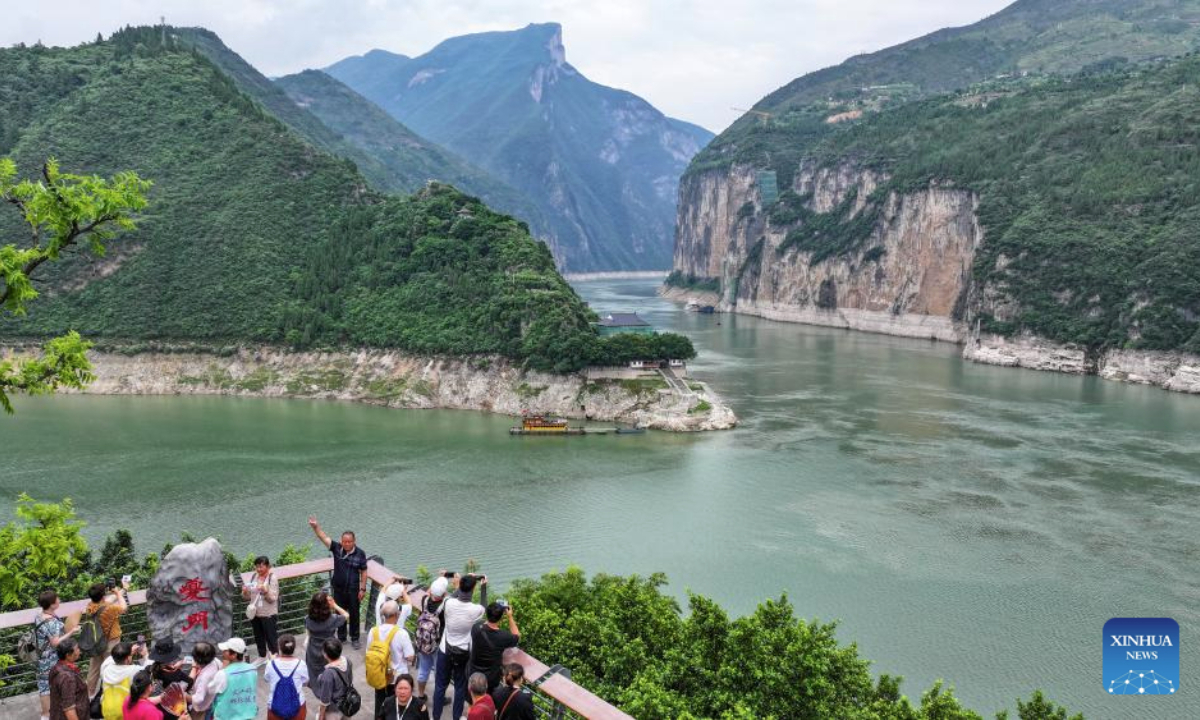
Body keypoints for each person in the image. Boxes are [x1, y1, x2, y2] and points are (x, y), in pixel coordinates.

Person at [432, 574, 488, 720]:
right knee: (460, 687)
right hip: (463, 653)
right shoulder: (475, 610)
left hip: (445, 649)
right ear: (473, 589)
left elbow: (450, 598)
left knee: (440, 686)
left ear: (460, 587)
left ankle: (435, 717)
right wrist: (483, 586)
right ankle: (456, 717)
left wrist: (463, 582)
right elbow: (485, 607)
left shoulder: (448, 603)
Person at [308, 516, 368, 648]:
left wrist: (362, 589)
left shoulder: (360, 554)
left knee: (354, 614)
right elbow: (323, 537)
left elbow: (364, 571)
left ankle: (355, 638)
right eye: (344, 541)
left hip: (353, 590)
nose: (346, 544)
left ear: (354, 541)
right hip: (338, 589)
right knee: (339, 613)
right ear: (342, 541)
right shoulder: (337, 548)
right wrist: (315, 526)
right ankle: (341, 637)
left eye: (349, 542)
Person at [36, 590, 81, 720]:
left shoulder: (40, 615)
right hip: (49, 659)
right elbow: (55, 642)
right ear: (52, 604)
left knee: (44, 686)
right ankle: (46, 716)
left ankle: (47, 715)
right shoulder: (51, 622)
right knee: (47, 687)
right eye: (57, 599)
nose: (59, 600)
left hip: (41, 657)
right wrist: (72, 631)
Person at [368, 600, 415, 717]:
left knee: (379, 701)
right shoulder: (401, 633)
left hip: (378, 673)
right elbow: (410, 657)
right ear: (397, 615)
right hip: (396, 677)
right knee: (394, 706)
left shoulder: (373, 631)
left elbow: (369, 652)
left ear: (383, 615)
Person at [84, 578, 130, 695]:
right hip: (110, 643)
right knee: (111, 667)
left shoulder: (90, 607)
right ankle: (110, 694)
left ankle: (89, 695)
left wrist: (122, 590)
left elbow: (108, 601)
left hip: (96, 642)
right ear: (103, 596)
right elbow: (124, 608)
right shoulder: (109, 609)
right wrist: (119, 593)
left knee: (94, 669)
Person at [410, 576, 448, 700]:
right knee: (439, 672)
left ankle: (421, 695)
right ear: (444, 593)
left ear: (431, 591)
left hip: (422, 642)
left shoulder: (424, 599)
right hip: (437, 643)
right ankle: (439, 698)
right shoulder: (446, 604)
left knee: (423, 669)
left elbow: (429, 594)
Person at [469, 602, 521, 692]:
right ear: (501, 618)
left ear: (486, 614)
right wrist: (510, 616)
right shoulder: (503, 636)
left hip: (473, 672)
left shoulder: (476, 627)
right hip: (490, 679)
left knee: (474, 700)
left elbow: (484, 624)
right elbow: (517, 635)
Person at [99, 641, 150, 720]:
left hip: (107, 711)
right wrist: (146, 654)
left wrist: (127, 652)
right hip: (125, 712)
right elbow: (149, 668)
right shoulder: (133, 671)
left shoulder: (106, 668)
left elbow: (110, 659)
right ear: (127, 658)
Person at [304, 591, 350, 681]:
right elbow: (346, 615)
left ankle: (318, 687)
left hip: (313, 650)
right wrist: (334, 605)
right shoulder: (333, 619)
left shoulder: (307, 619)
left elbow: (308, 632)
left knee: (315, 672)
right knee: (330, 670)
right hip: (329, 650)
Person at [209, 637, 258, 720]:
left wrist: (223, 668)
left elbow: (211, 690)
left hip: (226, 716)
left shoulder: (223, 673)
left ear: (234, 655)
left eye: (225, 650)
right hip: (247, 715)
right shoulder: (253, 669)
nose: (223, 652)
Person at [264, 634, 310, 720]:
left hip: (274, 706)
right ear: (294, 648)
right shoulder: (301, 664)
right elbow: (305, 681)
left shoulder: (271, 664)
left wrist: (272, 660)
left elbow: (266, 679)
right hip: (298, 705)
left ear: (279, 648)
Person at [244, 555, 280, 657]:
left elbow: (273, 598)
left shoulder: (272, 578)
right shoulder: (253, 577)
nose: (258, 569)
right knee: (258, 637)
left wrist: (265, 591)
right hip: (255, 613)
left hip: (268, 614)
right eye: (257, 566)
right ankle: (262, 656)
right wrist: (245, 592)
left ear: (268, 566)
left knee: (271, 638)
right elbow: (247, 598)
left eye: (261, 566)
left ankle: (275, 657)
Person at [148, 638, 193, 720]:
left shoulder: (151, 668)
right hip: (173, 710)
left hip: (159, 707)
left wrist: (174, 669)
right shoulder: (175, 675)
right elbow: (189, 683)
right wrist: (194, 668)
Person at [313, 638, 354, 720]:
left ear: (325, 654)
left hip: (333, 710)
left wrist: (321, 716)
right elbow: (350, 680)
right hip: (346, 704)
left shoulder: (328, 674)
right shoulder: (347, 661)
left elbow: (325, 700)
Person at [48, 637, 88, 720]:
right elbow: (69, 709)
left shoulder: (57, 667)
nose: (79, 651)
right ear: (68, 655)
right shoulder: (67, 678)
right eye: (77, 649)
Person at [187, 642, 220, 720]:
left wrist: (185, 696)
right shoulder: (215, 660)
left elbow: (199, 699)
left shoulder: (205, 676)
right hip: (213, 699)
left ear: (198, 659)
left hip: (204, 708)